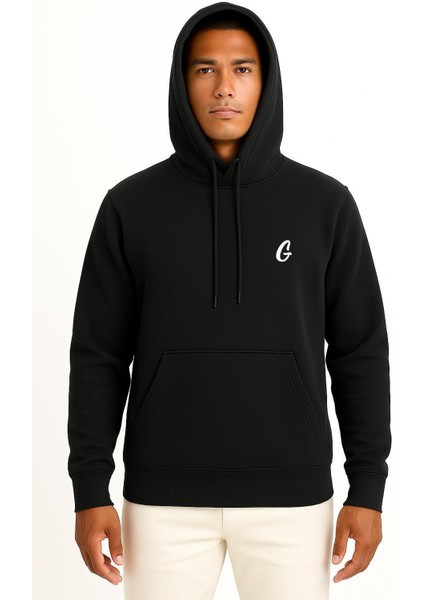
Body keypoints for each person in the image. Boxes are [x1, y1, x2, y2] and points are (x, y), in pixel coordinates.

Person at [67, 2, 391, 599]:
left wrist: (367, 488)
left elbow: (360, 351)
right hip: (161, 502)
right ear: (181, 82)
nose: (224, 87)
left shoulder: (324, 206)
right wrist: (90, 488)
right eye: (204, 69)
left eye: (242, 69)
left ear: (266, 82)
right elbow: (98, 355)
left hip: (293, 503)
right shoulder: (130, 207)